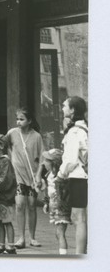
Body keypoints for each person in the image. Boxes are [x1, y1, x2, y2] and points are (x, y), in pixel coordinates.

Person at [4, 107, 43, 249]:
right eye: (17, 119)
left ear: (30, 121)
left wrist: (38, 175)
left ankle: (32, 237)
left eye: (22, 119)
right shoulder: (12, 133)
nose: (18, 122)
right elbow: (4, 145)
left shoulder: (37, 136)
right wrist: (11, 159)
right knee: (20, 205)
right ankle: (21, 238)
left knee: (32, 205)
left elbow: (42, 158)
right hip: (17, 175)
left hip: (32, 176)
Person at [58, 96, 87, 254]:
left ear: (73, 110)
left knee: (78, 218)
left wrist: (60, 175)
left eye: (65, 106)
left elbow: (70, 161)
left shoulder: (75, 131)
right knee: (80, 217)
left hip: (77, 177)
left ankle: (80, 255)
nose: (62, 108)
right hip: (82, 177)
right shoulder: (83, 129)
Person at [38, 148, 71, 255]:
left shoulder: (61, 177)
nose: (44, 163)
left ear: (54, 163)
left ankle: (63, 256)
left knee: (60, 233)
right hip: (54, 207)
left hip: (61, 208)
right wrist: (46, 202)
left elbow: (65, 193)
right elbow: (48, 191)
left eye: (47, 160)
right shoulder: (49, 175)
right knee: (58, 233)